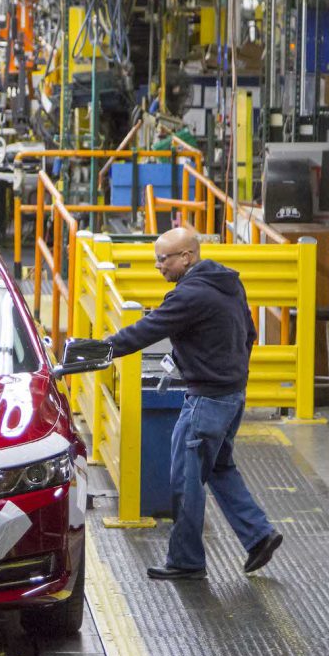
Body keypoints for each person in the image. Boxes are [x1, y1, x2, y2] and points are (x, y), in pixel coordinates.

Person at [103, 227, 283, 580]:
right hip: (232, 394)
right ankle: (258, 535)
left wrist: (100, 349)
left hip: (207, 399)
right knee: (218, 468)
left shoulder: (189, 296)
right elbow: (249, 333)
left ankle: (186, 560)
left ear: (187, 257)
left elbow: (144, 331)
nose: (158, 266)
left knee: (185, 479)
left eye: (163, 258)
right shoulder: (227, 283)